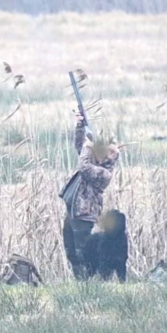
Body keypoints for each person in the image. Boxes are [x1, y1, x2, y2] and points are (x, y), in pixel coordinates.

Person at [62, 113, 120, 279]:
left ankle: (89, 284)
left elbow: (84, 168)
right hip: (73, 211)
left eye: (111, 151)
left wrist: (89, 147)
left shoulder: (105, 173)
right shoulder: (94, 160)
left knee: (83, 253)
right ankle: (81, 283)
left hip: (84, 215)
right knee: (71, 251)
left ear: (114, 157)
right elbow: (81, 148)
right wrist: (80, 127)